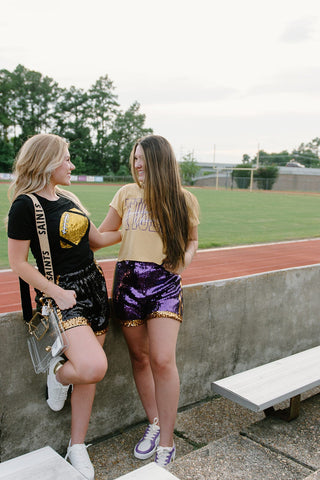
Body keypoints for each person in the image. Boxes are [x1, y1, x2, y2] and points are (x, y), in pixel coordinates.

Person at [7, 133, 121, 480]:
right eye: (67, 159)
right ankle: (58, 374)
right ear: (47, 162)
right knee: (91, 368)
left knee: (88, 381)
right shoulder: (25, 205)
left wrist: (134, 227)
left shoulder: (68, 196)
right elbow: (18, 263)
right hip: (63, 297)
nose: (72, 165)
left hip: (94, 289)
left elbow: (97, 240)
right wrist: (55, 292)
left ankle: (77, 446)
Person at [99, 134, 200, 467]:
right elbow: (101, 236)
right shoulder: (126, 194)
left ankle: (167, 443)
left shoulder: (183, 198)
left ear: (159, 161)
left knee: (161, 359)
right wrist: (61, 213)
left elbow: (192, 240)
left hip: (164, 285)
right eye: (135, 157)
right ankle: (154, 424)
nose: (137, 163)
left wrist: (183, 260)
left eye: (142, 158)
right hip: (127, 283)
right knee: (140, 358)